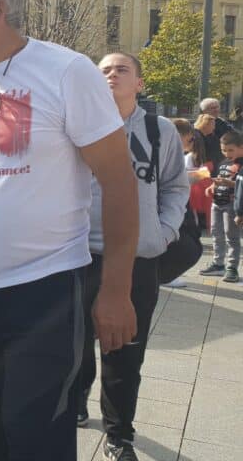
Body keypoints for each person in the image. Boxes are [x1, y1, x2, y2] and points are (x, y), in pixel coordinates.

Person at [0, 0, 139, 460]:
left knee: (36, 437)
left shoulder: (67, 72)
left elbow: (118, 181)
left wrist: (115, 291)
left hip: (45, 292)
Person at [75, 53, 189, 460]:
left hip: (137, 259)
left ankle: (119, 434)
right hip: (79, 254)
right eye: (103, 70)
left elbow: (176, 186)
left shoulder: (159, 132)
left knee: (124, 351)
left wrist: (165, 231)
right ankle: (78, 396)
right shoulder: (79, 126)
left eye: (121, 69)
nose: (111, 75)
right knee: (75, 344)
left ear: (139, 83)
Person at [167, 118, 210, 288]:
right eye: (191, 139)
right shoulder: (171, 151)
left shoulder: (170, 151)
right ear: (181, 136)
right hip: (173, 205)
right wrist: (198, 175)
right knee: (181, 240)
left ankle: (168, 273)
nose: (192, 143)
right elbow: (172, 178)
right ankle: (167, 274)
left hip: (176, 204)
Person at [200, 131, 243, 281]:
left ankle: (232, 267)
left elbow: (240, 184)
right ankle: (218, 264)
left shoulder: (241, 164)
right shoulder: (223, 163)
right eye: (224, 150)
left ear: (241, 147)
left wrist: (227, 183)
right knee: (216, 234)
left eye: (231, 150)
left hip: (231, 204)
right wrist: (211, 187)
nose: (227, 153)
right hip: (217, 203)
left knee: (231, 236)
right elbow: (219, 179)